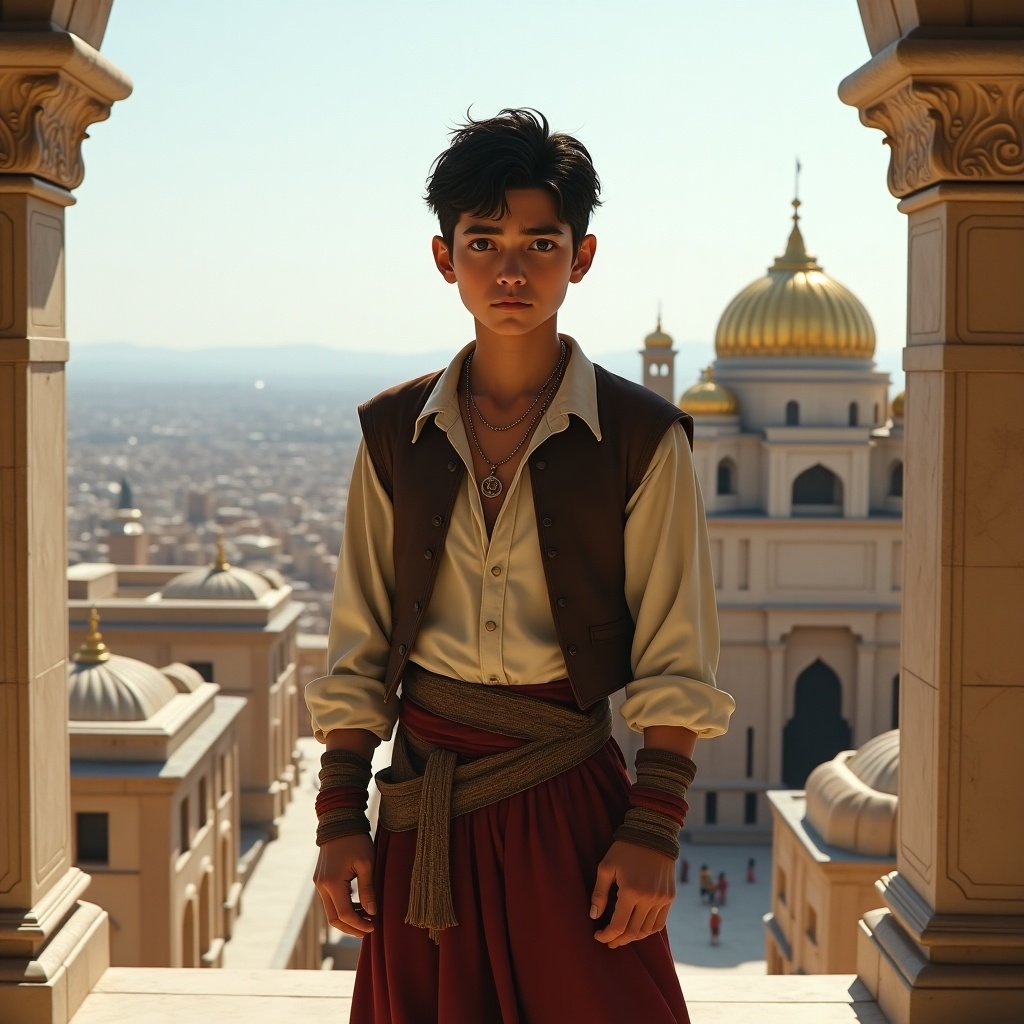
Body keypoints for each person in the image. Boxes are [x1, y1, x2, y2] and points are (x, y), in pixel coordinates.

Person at [305, 108, 735, 1024]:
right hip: (426, 806)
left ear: (581, 257)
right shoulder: (393, 433)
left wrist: (652, 827)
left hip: (570, 807)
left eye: (540, 242)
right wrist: (341, 815)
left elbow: (676, 649)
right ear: (442, 255)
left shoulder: (642, 438)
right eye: (484, 240)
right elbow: (361, 639)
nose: (511, 269)